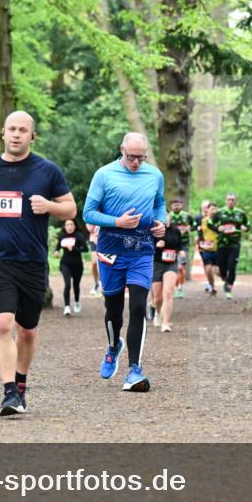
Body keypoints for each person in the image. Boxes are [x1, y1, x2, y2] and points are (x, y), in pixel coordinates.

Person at [0, 111, 76, 416]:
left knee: (28, 331)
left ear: (32, 136)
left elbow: (71, 208)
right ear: (3, 133)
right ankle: (9, 392)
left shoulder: (47, 171)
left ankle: (20, 382)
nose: (17, 134)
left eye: (23, 130)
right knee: (3, 323)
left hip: (32, 261)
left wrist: (49, 206)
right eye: (12, 129)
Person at [83, 132, 166, 393]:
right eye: (132, 157)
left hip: (141, 249)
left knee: (139, 307)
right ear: (121, 150)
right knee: (114, 310)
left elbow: (160, 204)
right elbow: (88, 213)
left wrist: (162, 223)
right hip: (110, 250)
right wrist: (116, 222)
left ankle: (134, 370)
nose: (136, 163)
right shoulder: (104, 174)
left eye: (141, 158)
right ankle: (112, 346)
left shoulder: (154, 175)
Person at [210, 192, 249, 300]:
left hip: (234, 244)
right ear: (225, 200)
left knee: (232, 266)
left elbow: (248, 224)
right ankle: (225, 279)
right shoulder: (220, 212)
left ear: (235, 201)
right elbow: (210, 223)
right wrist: (218, 229)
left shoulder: (240, 213)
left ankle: (229, 288)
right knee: (222, 268)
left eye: (232, 199)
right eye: (228, 199)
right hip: (222, 244)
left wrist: (245, 227)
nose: (230, 201)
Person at [151, 216, 182, 332]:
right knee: (158, 298)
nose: (164, 218)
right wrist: (156, 246)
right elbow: (145, 248)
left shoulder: (176, 231)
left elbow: (179, 246)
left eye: (166, 215)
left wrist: (181, 251)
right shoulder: (153, 230)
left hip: (171, 264)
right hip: (157, 264)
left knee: (168, 292)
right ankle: (158, 313)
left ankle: (165, 323)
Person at [55, 219, 88, 316]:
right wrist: (56, 251)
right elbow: (58, 246)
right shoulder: (62, 236)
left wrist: (73, 248)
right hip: (65, 264)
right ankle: (67, 306)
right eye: (67, 225)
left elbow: (85, 249)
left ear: (74, 226)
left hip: (77, 265)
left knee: (76, 285)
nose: (69, 227)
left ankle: (77, 302)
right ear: (65, 226)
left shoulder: (79, 236)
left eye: (71, 224)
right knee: (67, 284)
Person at [167, 198, 195, 299]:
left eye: (178, 204)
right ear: (171, 206)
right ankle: (176, 287)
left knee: (181, 268)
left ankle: (180, 287)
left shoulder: (187, 216)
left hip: (184, 245)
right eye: (174, 204)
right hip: (172, 245)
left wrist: (189, 228)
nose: (176, 206)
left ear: (182, 205)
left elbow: (195, 226)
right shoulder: (169, 216)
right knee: (175, 267)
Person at [197, 201, 220, 295]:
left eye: (215, 209)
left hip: (218, 248)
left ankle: (226, 281)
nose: (213, 211)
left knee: (218, 272)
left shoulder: (220, 221)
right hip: (206, 248)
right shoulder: (204, 220)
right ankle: (212, 287)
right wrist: (200, 243)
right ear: (208, 210)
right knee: (208, 269)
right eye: (211, 209)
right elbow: (200, 232)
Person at [87, 223, 102, 296]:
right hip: (94, 240)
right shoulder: (91, 213)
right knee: (94, 263)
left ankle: (101, 283)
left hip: (105, 240)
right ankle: (96, 283)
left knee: (104, 263)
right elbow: (90, 229)